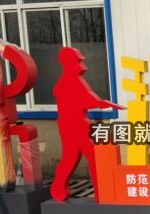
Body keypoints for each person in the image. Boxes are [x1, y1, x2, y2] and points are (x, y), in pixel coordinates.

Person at [50, 47, 124, 201]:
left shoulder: (71, 81)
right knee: (91, 157)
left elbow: (88, 100)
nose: (83, 66)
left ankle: (59, 188)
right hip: (74, 127)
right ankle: (100, 191)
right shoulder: (70, 82)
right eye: (78, 62)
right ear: (68, 62)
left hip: (75, 126)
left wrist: (104, 103)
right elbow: (89, 101)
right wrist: (106, 104)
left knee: (71, 159)